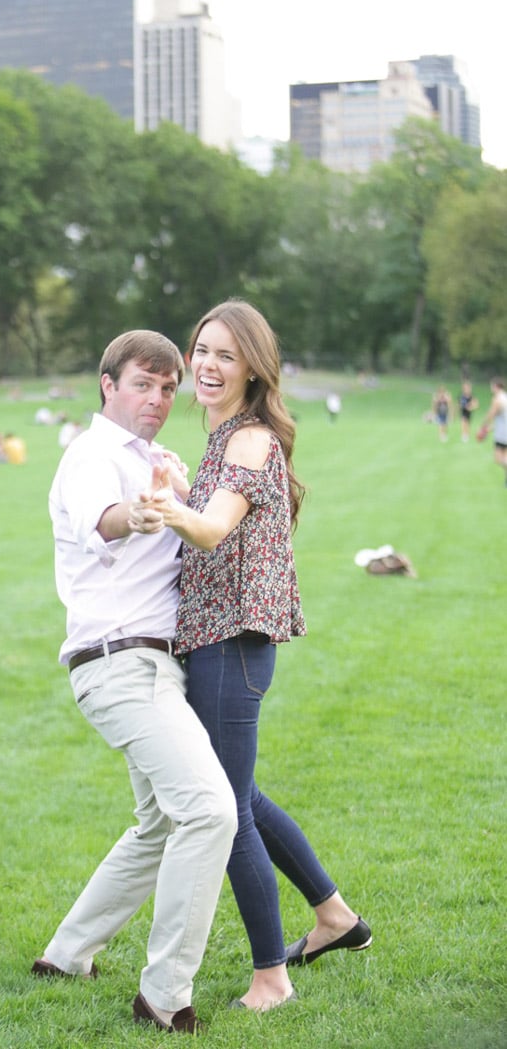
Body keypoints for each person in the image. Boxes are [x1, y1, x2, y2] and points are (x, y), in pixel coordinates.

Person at [133, 300, 370, 1012]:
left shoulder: (248, 441)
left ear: (251, 368)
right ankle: (334, 917)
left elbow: (210, 532)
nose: (206, 365)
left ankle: (271, 975)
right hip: (218, 641)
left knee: (225, 807)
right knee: (243, 796)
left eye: (224, 356)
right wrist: (178, 484)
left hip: (229, 643)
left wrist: (168, 506)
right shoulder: (224, 438)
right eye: (201, 350)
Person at [32, 330, 237, 1034]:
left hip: (148, 663)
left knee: (159, 823)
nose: (156, 398)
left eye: (167, 387)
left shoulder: (150, 458)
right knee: (209, 809)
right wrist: (141, 513)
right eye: (142, 384)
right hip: (122, 662)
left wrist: (171, 489)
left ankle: (65, 954)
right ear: (107, 385)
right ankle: (164, 992)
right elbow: (106, 520)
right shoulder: (93, 455)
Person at [476, 376, 507, 485]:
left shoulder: (498, 399)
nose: (491, 388)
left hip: (503, 434)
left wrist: (483, 426)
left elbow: (491, 415)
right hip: (503, 431)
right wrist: (490, 429)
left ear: (496, 386)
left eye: (491, 386)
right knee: (504, 456)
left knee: (498, 458)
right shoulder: (505, 397)